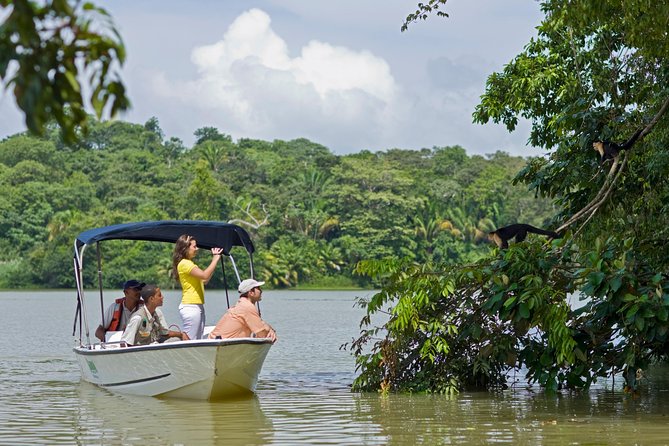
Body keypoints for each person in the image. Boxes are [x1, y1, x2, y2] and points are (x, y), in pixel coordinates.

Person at [172, 234, 223, 340]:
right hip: (190, 306)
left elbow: (205, 280)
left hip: (197, 305)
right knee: (190, 340)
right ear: (185, 248)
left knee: (197, 339)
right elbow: (205, 275)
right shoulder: (185, 264)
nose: (197, 249)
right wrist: (215, 259)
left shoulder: (189, 263)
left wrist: (215, 260)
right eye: (194, 246)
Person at [208, 278, 277, 343]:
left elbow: (261, 323)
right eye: (258, 288)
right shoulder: (247, 307)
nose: (261, 291)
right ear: (251, 293)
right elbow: (262, 334)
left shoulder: (242, 304)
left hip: (214, 341)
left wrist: (271, 330)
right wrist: (270, 332)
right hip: (222, 343)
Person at [121, 285, 189, 346]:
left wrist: (181, 334)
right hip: (142, 351)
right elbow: (125, 343)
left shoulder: (156, 313)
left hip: (153, 345)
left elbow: (165, 333)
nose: (162, 297)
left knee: (176, 333)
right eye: (159, 295)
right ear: (151, 299)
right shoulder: (137, 318)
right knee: (175, 340)